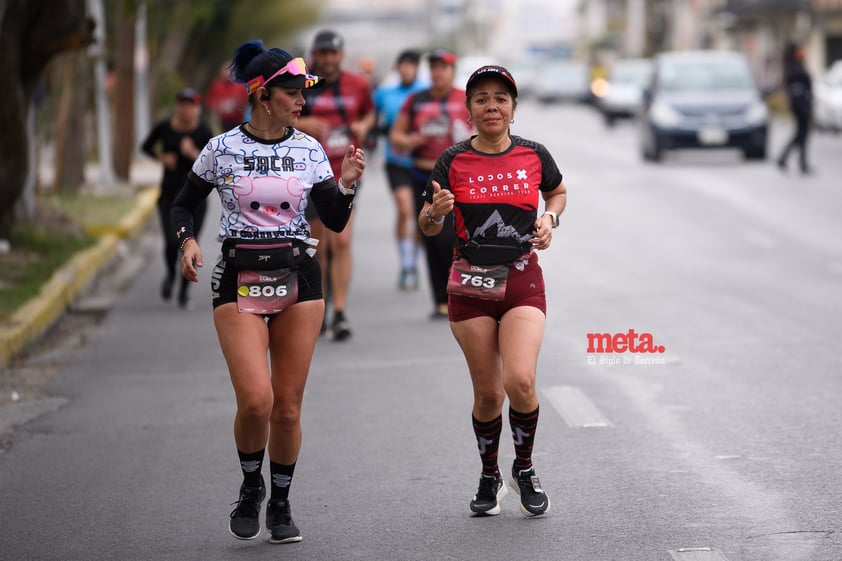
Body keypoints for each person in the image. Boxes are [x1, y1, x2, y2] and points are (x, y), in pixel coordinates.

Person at [170, 40, 365, 544]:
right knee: (256, 400)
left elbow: (336, 221)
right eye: (293, 93)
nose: (302, 102)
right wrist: (187, 240)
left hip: (299, 276)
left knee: (288, 405)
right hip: (238, 276)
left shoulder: (310, 150)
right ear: (263, 95)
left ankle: (280, 503)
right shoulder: (221, 149)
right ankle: (252, 485)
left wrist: (345, 185)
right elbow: (182, 205)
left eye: (303, 93)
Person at [418, 65, 567, 518]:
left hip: (522, 277)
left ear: (514, 108)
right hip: (470, 283)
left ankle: (524, 467)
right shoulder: (452, 160)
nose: (492, 106)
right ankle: (489, 473)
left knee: (519, 380)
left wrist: (549, 219)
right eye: (481, 98)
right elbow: (427, 224)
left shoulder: (534, 154)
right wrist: (437, 213)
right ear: (468, 110)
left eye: (501, 98)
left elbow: (557, 192)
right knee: (488, 395)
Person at [296, 29, 376, 340]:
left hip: (346, 173)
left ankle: (341, 312)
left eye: (334, 53)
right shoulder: (301, 85)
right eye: (323, 53)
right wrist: (305, 123)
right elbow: (276, 117)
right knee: (320, 247)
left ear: (341, 55)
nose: (329, 58)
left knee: (341, 242)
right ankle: (321, 307)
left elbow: (370, 113)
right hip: (310, 176)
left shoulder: (357, 84)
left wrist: (363, 125)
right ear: (315, 54)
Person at [390, 49, 471, 318]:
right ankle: (440, 298)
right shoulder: (416, 100)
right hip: (423, 175)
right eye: (434, 67)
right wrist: (410, 140)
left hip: (460, 178)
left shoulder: (465, 99)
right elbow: (396, 135)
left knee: (455, 236)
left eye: (444, 67)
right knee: (432, 235)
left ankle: (461, 292)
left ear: (453, 70)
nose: (438, 72)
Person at [140, 87, 213, 309]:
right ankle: (171, 274)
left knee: (189, 245)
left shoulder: (204, 131)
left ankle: (184, 291)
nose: (186, 108)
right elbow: (145, 147)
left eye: (190, 104)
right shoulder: (165, 127)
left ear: (197, 108)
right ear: (177, 106)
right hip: (169, 195)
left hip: (196, 198)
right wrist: (162, 158)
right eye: (182, 103)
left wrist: (193, 154)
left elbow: (213, 163)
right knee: (172, 242)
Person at [372, 49, 427, 290]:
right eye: (403, 65)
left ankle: (413, 263)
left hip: (422, 162)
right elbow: (370, 118)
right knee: (405, 210)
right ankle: (405, 262)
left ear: (416, 68)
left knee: (421, 215)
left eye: (411, 65)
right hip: (395, 160)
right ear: (397, 68)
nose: (406, 70)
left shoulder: (426, 93)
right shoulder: (385, 93)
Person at [776, 43, 814, 174]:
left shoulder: (795, 65)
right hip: (800, 104)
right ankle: (802, 163)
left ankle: (784, 158)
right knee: (802, 133)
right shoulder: (794, 67)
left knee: (800, 133)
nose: (803, 52)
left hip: (800, 103)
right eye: (800, 51)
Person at [205, 63, 250, 132]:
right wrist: (219, 107)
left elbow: (247, 101)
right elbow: (210, 101)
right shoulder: (217, 85)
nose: (227, 73)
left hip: (238, 119)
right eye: (225, 70)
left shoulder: (240, 85)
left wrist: (237, 103)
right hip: (221, 120)